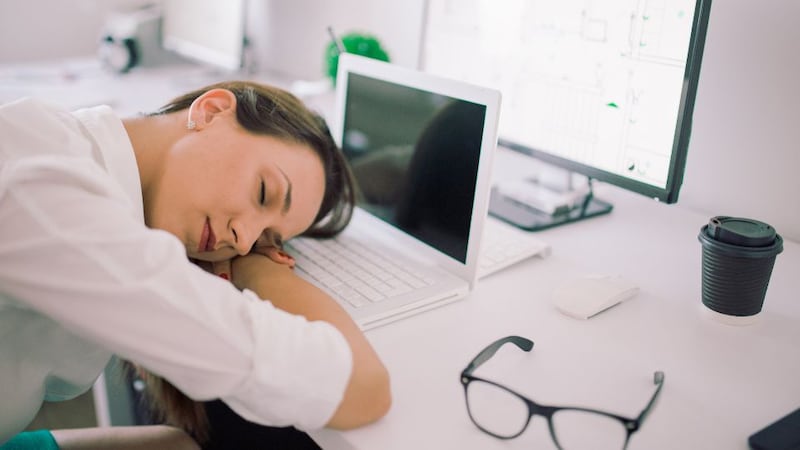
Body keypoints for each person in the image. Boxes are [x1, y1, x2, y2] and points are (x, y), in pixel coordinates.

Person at [0, 81, 391, 448]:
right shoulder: (52, 196)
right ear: (211, 110)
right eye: (262, 192)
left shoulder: (75, 152)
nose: (243, 240)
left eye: (264, 240)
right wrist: (260, 268)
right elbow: (362, 388)